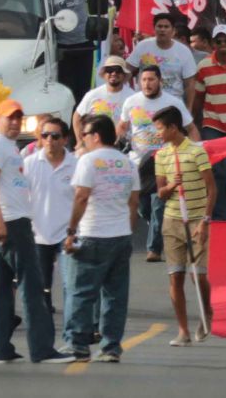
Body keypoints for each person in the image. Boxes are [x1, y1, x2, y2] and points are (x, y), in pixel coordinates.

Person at [0, 98, 67, 364]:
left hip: (7, 220)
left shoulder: (7, 145)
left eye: (19, 117)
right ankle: (42, 349)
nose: (16, 122)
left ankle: (0, 348)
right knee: (32, 286)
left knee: (1, 287)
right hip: (9, 222)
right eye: (10, 118)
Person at [63, 115, 137, 364]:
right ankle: (111, 347)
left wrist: (71, 231)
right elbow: (133, 201)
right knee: (115, 295)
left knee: (82, 293)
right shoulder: (127, 163)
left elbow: (82, 196)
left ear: (95, 136)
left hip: (93, 233)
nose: (82, 139)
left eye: (84, 134)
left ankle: (79, 345)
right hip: (120, 235)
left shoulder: (88, 161)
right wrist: (127, 230)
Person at [119, 65, 191, 263]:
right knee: (143, 206)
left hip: (165, 159)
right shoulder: (131, 101)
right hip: (138, 161)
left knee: (159, 203)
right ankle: (156, 227)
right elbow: (122, 127)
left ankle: (154, 249)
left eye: (151, 79)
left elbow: (190, 128)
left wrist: (193, 150)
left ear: (160, 80)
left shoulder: (173, 103)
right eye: (143, 80)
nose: (147, 83)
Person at [153, 108, 211, 346]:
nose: (157, 134)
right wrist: (170, 187)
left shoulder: (197, 152)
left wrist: (205, 221)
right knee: (175, 276)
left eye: (159, 129)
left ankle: (207, 312)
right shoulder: (161, 156)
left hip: (197, 219)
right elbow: (160, 192)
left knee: (198, 276)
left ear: (173, 128)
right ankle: (183, 330)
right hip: (172, 220)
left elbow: (212, 188)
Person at [25, 116, 77, 331]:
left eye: (55, 136)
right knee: (42, 287)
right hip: (38, 234)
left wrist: (76, 231)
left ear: (65, 139)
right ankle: (43, 330)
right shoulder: (28, 163)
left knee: (70, 286)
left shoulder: (76, 164)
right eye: (45, 135)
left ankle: (71, 333)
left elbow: (83, 199)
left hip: (68, 234)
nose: (49, 140)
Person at [125, 13, 199, 101]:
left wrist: (188, 110)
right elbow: (127, 71)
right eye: (159, 26)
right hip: (145, 103)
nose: (162, 30)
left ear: (173, 31)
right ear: (154, 29)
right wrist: (128, 92)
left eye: (166, 27)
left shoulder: (184, 51)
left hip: (172, 104)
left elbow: (190, 84)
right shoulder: (143, 46)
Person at [74, 57, 136, 146]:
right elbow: (77, 117)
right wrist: (80, 141)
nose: (114, 73)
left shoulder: (132, 96)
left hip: (123, 146)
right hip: (95, 145)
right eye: (110, 70)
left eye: (118, 70)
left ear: (124, 74)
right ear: (104, 74)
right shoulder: (92, 95)